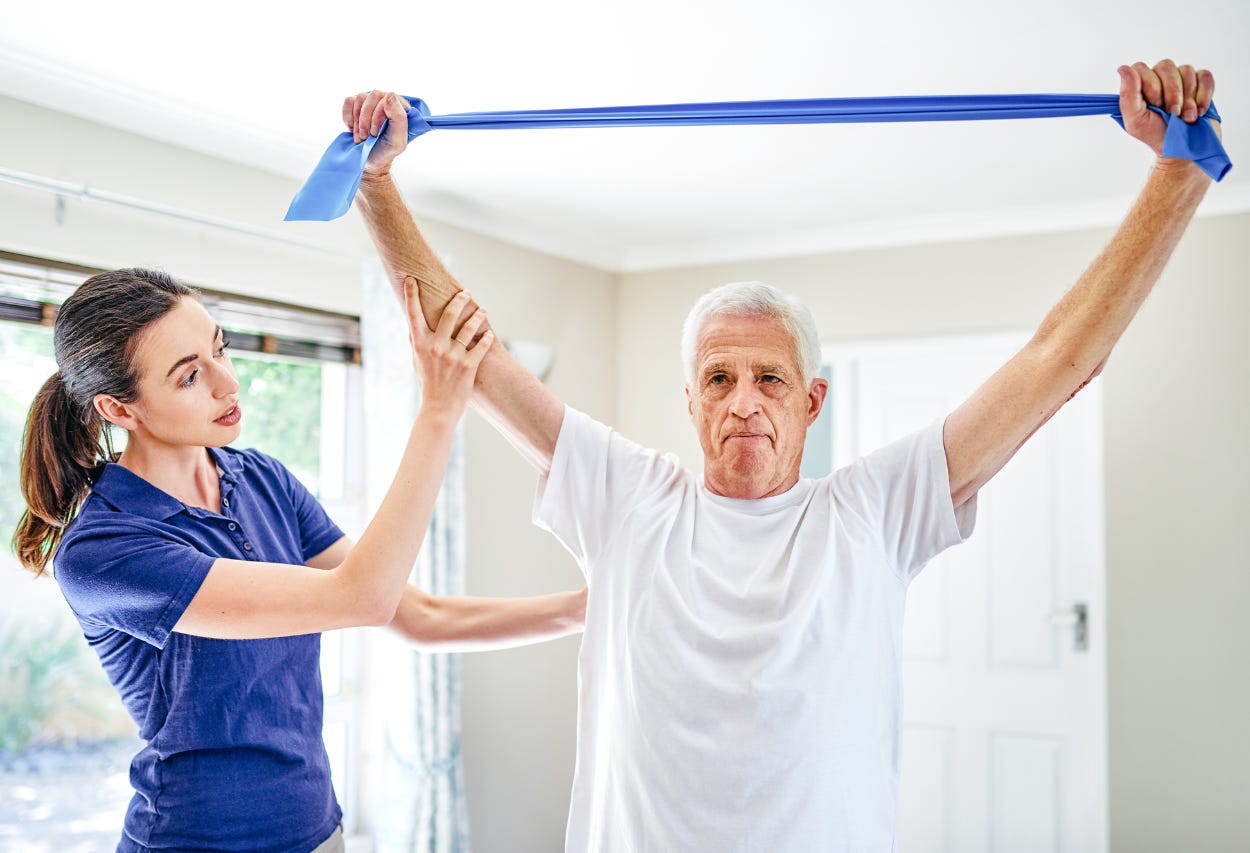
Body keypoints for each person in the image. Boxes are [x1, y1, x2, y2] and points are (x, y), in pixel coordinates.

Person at [342, 58, 1219, 851]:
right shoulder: (627, 496)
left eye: (769, 378)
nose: (744, 401)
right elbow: (474, 356)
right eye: (719, 378)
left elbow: (1057, 360)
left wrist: (1177, 176)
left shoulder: (876, 508)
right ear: (691, 401)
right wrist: (375, 184)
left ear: (811, 402)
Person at [13, 268, 587, 853]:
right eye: (190, 376)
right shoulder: (104, 550)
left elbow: (420, 616)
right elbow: (363, 598)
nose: (228, 383)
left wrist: (587, 609)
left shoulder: (264, 479)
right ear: (119, 409)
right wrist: (438, 412)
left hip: (318, 830)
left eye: (219, 349)